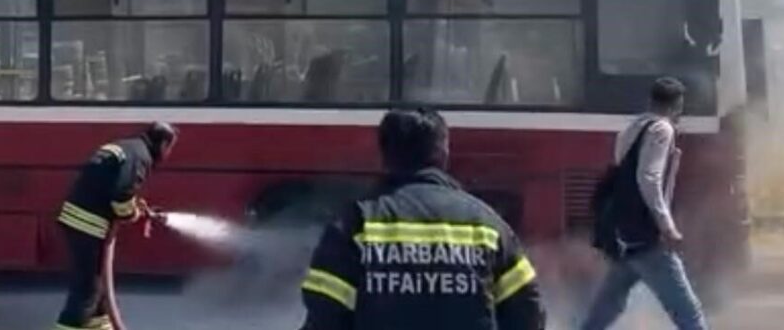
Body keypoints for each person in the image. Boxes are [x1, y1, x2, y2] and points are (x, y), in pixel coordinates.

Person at [300, 108, 546, 330]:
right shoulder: (488, 226)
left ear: (385, 156)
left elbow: (324, 317)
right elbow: (528, 313)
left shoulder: (355, 224)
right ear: (444, 154)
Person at [581, 77, 707, 330]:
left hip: (625, 234)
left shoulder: (631, 129)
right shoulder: (662, 129)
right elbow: (649, 178)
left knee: (607, 307)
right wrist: (667, 227)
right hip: (647, 237)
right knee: (687, 312)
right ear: (677, 105)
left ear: (651, 100)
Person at [54, 122, 179, 330]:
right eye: (170, 148)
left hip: (80, 219)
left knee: (98, 289)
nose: (168, 154)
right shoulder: (142, 157)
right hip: (88, 223)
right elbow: (121, 196)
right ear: (164, 144)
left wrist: (132, 207)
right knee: (87, 292)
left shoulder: (128, 147)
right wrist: (132, 213)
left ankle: (102, 326)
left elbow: (114, 186)